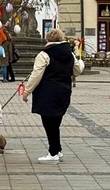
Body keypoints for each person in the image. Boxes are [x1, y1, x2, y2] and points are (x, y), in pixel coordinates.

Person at [22, 28, 84, 163]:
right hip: (64, 91)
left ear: (47, 39)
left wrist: (27, 91)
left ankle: (53, 152)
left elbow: (36, 75)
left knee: (49, 123)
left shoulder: (44, 54)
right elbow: (78, 70)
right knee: (56, 122)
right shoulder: (69, 54)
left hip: (47, 92)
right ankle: (58, 149)